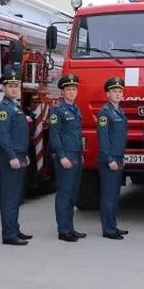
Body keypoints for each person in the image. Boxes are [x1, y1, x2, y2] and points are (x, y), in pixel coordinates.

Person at [0, 68, 32, 245]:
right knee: (9, 196)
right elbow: (4, 136)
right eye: (10, 86)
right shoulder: (4, 109)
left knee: (16, 196)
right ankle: (8, 234)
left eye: (16, 86)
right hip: (11, 158)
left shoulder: (15, 107)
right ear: (3, 87)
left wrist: (24, 155)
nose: (14, 89)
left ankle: (14, 228)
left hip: (19, 156)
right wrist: (12, 156)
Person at [48, 74, 86, 242]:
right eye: (68, 89)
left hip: (76, 156)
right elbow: (54, 135)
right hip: (66, 157)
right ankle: (63, 231)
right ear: (62, 92)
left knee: (72, 194)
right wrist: (62, 156)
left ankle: (70, 227)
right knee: (64, 194)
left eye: (74, 89)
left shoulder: (76, 108)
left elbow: (77, 134)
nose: (71, 92)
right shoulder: (57, 110)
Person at [97, 76, 129, 240]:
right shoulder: (105, 112)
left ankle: (113, 226)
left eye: (120, 91)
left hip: (118, 158)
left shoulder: (119, 111)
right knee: (109, 196)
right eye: (114, 91)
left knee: (115, 195)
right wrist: (109, 159)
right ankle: (108, 229)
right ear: (107, 94)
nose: (117, 94)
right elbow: (103, 140)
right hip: (109, 160)